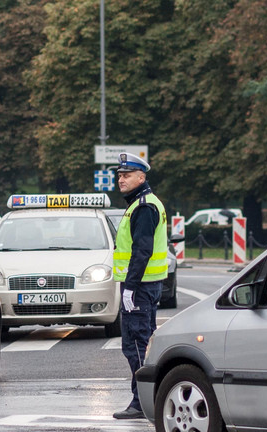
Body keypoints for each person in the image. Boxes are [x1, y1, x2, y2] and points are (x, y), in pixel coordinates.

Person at [111, 152, 169, 420]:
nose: (120, 179)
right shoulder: (141, 203)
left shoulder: (144, 207)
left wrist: (130, 288)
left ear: (141, 177)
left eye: (126, 175)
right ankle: (148, 398)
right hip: (145, 285)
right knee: (141, 343)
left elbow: (141, 251)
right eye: (119, 175)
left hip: (141, 287)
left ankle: (142, 402)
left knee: (136, 345)